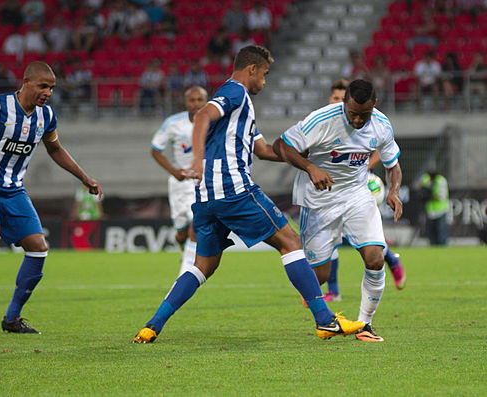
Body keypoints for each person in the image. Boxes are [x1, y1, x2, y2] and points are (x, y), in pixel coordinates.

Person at [133, 45, 364, 344]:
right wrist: (195, 160)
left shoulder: (240, 108)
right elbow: (202, 116)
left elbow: (266, 150)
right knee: (290, 242)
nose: (265, 83)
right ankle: (325, 320)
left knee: (204, 265)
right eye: (265, 75)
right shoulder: (236, 92)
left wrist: (307, 158)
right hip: (234, 189)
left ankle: (152, 326)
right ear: (252, 69)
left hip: (206, 198)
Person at [0, 61, 102, 335]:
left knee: (39, 247)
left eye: (51, 88)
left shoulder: (46, 116)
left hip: (13, 189)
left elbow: (55, 149)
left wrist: (84, 177)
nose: (48, 92)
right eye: (43, 86)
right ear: (26, 82)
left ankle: (12, 319)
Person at [273, 79, 403, 342]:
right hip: (320, 201)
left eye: (363, 115)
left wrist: (393, 191)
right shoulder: (321, 119)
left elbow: (393, 165)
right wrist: (311, 168)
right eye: (353, 113)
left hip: (357, 197)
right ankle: (324, 315)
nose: (357, 121)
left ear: (374, 106)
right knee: (318, 276)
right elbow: (282, 146)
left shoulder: (381, 124)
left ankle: (364, 325)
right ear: (344, 103)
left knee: (375, 259)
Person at [321, 80, 406, 304]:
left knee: (364, 238)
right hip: (330, 189)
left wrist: (365, 164)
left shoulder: (373, 124)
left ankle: (391, 260)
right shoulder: (328, 121)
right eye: (335, 99)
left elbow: (383, 150)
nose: (338, 102)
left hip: (359, 186)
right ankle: (334, 291)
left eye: (342, 98)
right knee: (330, 239)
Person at [151, 86, 207, 276]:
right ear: (185, 102)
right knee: (182, 231)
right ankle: (185, 250)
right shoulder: (173, 123)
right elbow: (155, 150)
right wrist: (174, 171)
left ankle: (187, 271)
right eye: (192, 100)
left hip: (202, 182)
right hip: (180, 184)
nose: (196, 104)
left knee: (196, 223)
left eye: (200, 100)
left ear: (206, 101)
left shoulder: (214, 122)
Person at [420, 171, 449, 245]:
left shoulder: (441, 181)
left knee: (441, 231)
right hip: (430, 211)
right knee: (431, 232)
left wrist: (430, 195)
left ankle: (443, 247)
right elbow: (420, 186)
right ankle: (433, 247)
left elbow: (441, 196)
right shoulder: (426, 178)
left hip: (441, 210)